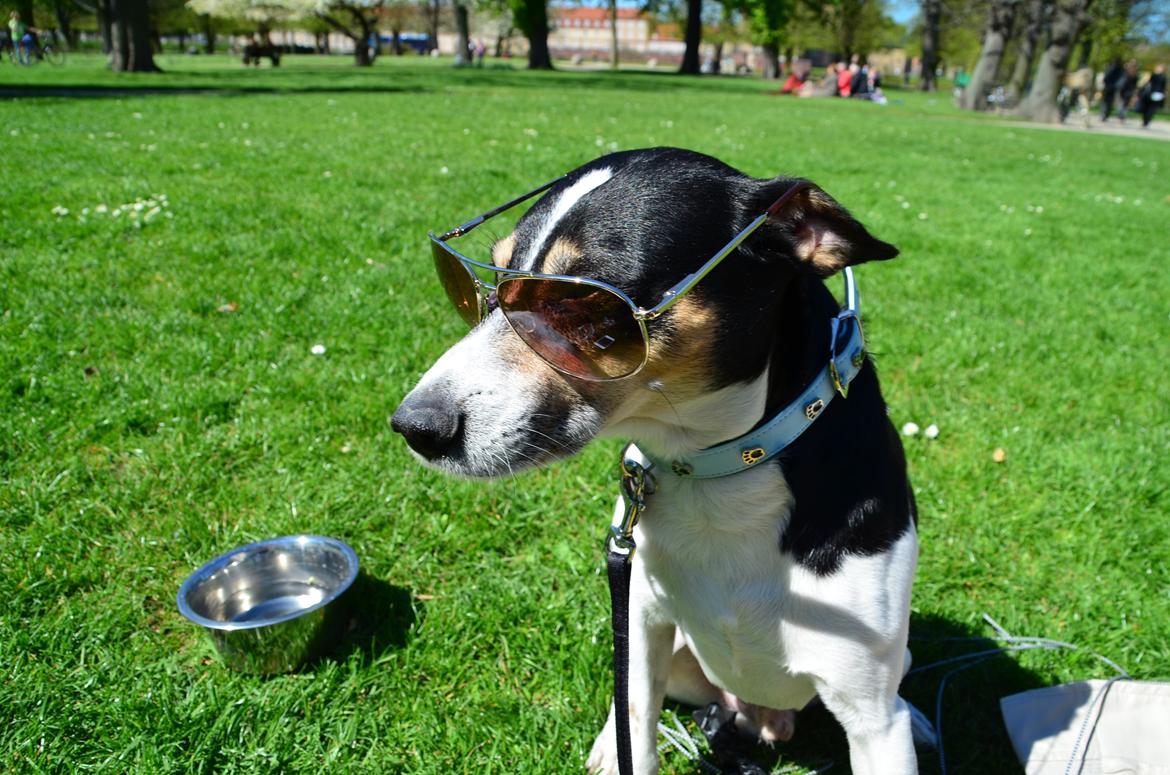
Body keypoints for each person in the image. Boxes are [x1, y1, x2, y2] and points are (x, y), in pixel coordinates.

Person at [1138, 63, 1166, 128]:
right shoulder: (1153, 75)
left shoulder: (1161, 77)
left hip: (1157, 94)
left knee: (1151, 108)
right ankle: (1145, 121)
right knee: (1148, 108)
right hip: (1151, 93)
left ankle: (1146, 121)